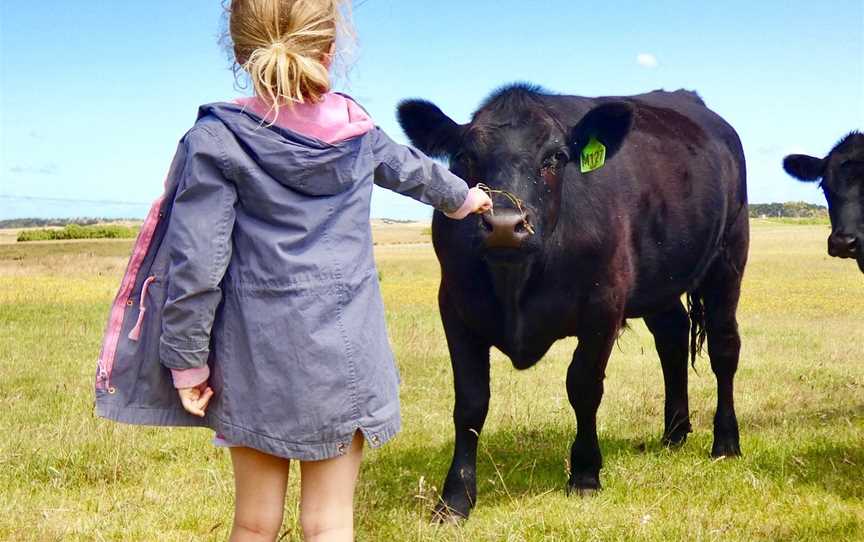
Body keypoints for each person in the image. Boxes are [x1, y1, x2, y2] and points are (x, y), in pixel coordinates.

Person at [112, 1, 491, 541]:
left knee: (253, 523)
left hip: (253, 361)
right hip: (345, 359)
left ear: (242, 51)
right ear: (330, 49)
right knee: (328, 524)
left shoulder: (217, 139)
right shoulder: (358, 132)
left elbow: (196, 265)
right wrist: (463, 200)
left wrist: (188, 363)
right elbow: (416, 172)